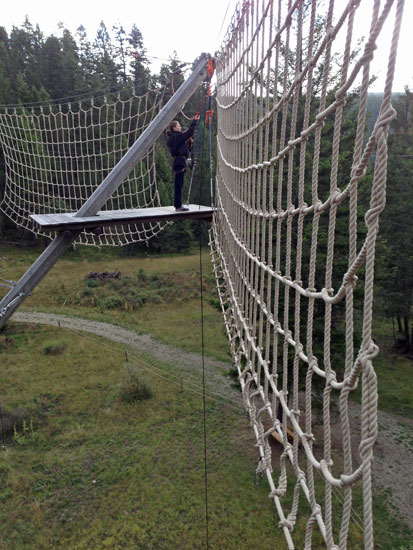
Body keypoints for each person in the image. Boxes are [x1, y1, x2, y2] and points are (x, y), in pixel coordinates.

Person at [166, 114, 200, 211]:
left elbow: (183, 150)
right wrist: (194, 121)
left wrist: (189, 146)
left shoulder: (174, 137)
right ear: (174, 128)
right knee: (179, 185)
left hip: (179, 161)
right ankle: (178, 205)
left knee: (178, 184)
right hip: (180, 161)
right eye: (179, 126)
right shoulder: (177, 136)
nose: (180, 127)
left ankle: (178, 204)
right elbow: (190, 132)